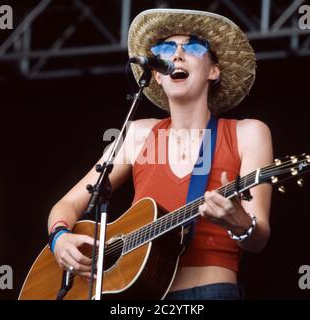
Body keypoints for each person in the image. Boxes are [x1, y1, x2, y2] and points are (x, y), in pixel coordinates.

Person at [47, 8, 273, 300]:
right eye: (166, 48)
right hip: (138, 298)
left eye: (192, 46)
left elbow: (258, 239)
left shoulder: (248, 132)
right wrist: (60, 238)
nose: (177, 55)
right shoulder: (139, 133)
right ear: (156, 73)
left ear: (214, 71)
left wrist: (238, 221)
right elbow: (66, 203)